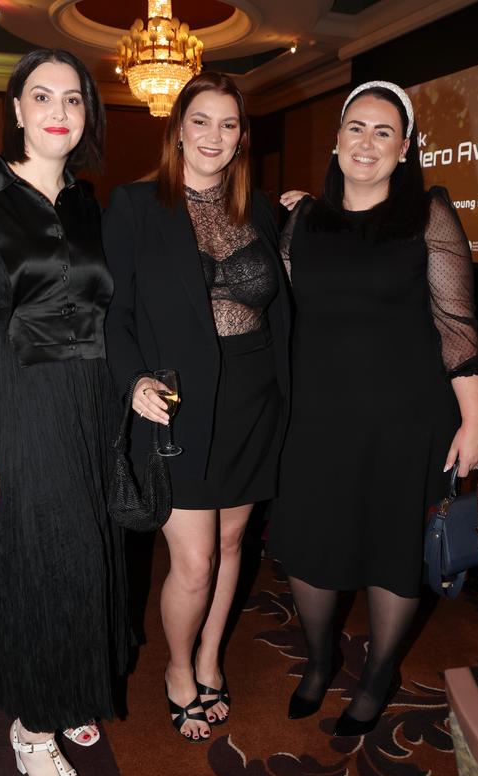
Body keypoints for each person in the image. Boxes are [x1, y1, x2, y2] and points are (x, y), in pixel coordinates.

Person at [0, 48, 129, 776]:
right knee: (34, 565)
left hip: (89, 404)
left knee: (85, 559)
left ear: (86, 114)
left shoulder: (85, 202)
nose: (58, 111)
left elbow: (106, 310)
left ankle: (69, 687)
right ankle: (30, 728)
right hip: (17, 402)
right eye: (41, 96)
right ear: (15, 108)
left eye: (72, 99)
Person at [269, 81, 478, 736]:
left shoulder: (429, 215)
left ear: (405, 148)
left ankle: (378, 674)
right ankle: (318, 658)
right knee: (309, 547)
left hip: (406, 420)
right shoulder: (302, 222)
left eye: (383, 132)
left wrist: (476, 420)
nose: (367, 142)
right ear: (336, 142)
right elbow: (272, 308)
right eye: (356, 129)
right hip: (315, 420)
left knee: (393, 550)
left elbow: (458, 326)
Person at [103, 72, 290, 741]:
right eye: (202, 121)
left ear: (243, 137)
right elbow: (114, 311)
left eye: (229, 124)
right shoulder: (132, 205)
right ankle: (179, 666)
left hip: (253, 398)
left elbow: (286, 294)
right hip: (178, 401)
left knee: (235, 540)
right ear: (177, 126)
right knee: (194, 560)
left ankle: (212, 654)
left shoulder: (259, 208)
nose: (214, 136)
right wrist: (132, 382)